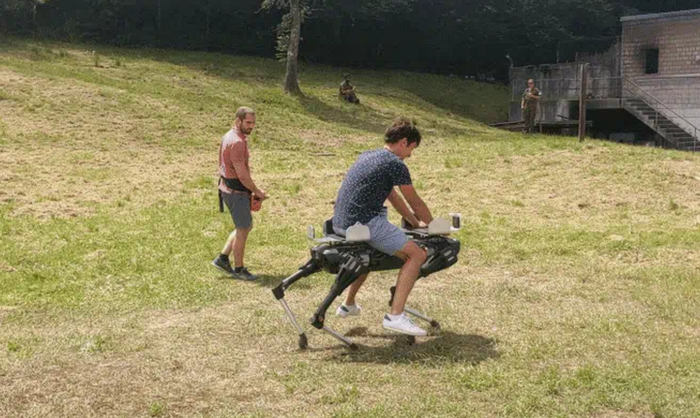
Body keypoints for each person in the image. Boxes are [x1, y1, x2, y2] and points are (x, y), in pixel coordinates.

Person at [332, 117, 434, 336]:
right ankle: (395, 316)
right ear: (404, 142)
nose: (410, 155)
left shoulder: (369, 155)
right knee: (417, 255)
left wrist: (415, 223)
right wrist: (435, 226)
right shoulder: (395, 164)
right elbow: (414, 200)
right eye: (411, 149)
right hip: (364, 222)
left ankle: (348, 304)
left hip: (342, 222)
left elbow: (393, 196)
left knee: (368, 255)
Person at [211, 107, 268, 281]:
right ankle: (239, 269)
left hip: (228, 188)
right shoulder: (237, 142)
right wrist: (257, 191)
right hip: (235, 191)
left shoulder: (229, 135)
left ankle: (222, 258)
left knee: (245, 226)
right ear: (238, 121)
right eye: (248, 123)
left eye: (253, 123)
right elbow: (242, 174)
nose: (251, 126)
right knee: (243, 229)